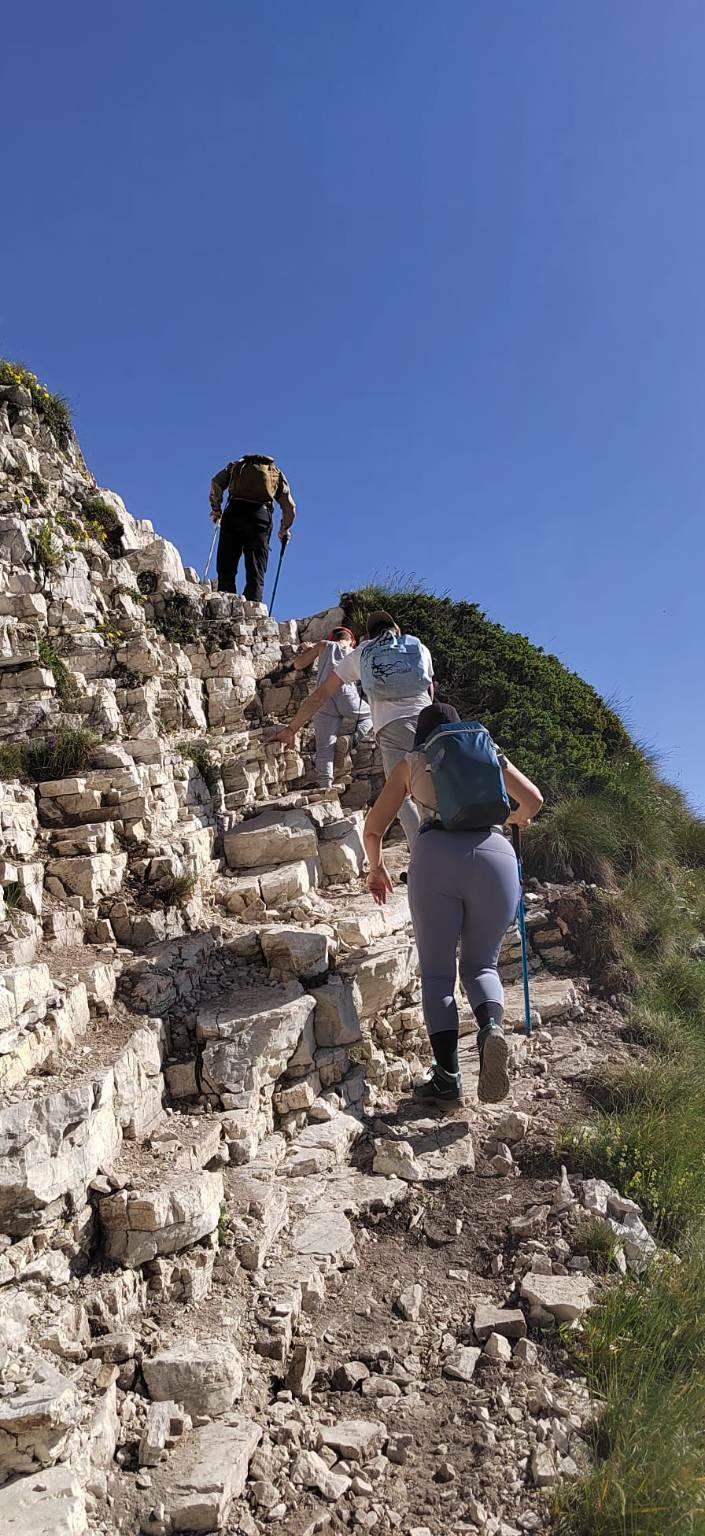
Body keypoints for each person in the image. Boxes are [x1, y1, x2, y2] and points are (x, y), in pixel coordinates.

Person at [363, 702, 544, 1108]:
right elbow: (533, 799)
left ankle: (447, 1077)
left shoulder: (412, 761)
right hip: (496, 855)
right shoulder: (489, 751)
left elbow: (374, 828)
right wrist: (514, 821)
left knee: (438, 975)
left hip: (436, 856)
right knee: (482, 965)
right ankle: (490, 1029)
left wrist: (377, 869)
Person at [270, 611, 434, 848]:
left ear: (369, 636)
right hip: (426, 719)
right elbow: (430, 689)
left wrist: (291, 729)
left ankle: (421, 854)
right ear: (396, 631)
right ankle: (443, 845)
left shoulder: (361, 652)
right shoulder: (418, 647)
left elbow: (319, 695)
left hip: (390, 726)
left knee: (401, 794)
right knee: (433, 781)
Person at [292, 628, 374, 789]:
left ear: (332, 637)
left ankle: (325, 787)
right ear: (352, 640)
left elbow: (298, 664)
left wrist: (309, 650)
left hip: (323, 697)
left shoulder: (324, 645)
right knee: (371, 715)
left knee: (324, 745)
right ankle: (352, 739)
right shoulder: (355, 651)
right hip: (347, 695)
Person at [209, 453, 296, 603]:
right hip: (260, 519)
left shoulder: (236, 466)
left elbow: (216, 483)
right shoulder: (275, 472)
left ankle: (225, 604)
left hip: (234, 513)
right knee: (256, 570)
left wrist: (216, 509)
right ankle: (254, 608)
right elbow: (289, 507)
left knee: (226, 565)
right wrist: (284, 529)